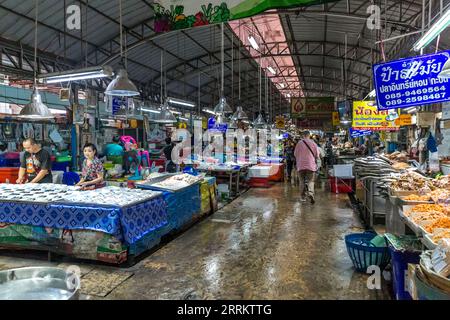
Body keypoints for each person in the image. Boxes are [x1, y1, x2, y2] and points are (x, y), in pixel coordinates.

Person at [294, 131, 319, 204]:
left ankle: (302, 197)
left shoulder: (299, 143)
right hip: (310, 165)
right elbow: (317, 155)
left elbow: (295, 154)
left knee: (302, 181)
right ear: (309, 135)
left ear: (303, 135)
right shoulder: (313, 143)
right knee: (311, 181)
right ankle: (311, 194)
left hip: (300, 165)